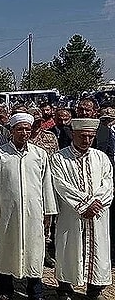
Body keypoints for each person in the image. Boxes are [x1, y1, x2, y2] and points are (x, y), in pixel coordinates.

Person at [0, 113, 57, 300]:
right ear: (12, 131)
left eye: (27, 129)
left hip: (34, 212)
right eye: (20, 129)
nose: (24, 133)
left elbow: (46, 183)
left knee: (34, 251)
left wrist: (48, 211)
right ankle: (5, 289)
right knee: (6, 249)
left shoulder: (39, 154)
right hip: (7, 212)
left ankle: (35, 291)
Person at [50, 118, 113, 300]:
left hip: (98, 214)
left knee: (98, 249)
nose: (86, 140)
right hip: (71, 214)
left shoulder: (100, 157)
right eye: (83, 136)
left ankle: (94, 290)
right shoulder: (59, 158)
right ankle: (64, 289)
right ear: (74, 135)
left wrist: (96, 202)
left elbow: (108, 183)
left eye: (90, 137)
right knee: (69, 248)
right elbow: (60, 185)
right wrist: (84, 204)